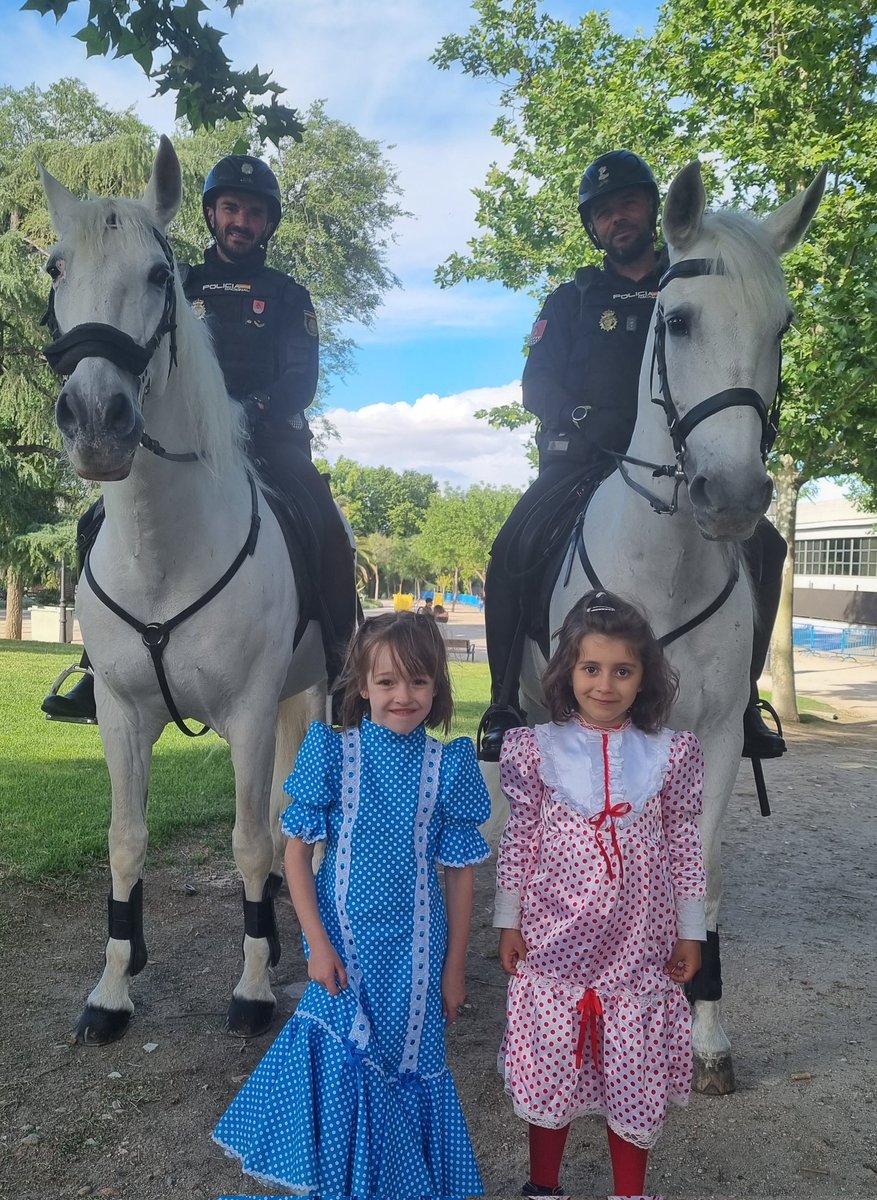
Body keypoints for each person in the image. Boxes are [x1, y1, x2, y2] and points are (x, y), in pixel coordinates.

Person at [477, 149, 787, 763]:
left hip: (680, 462)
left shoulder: (696, 281)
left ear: (652, 210)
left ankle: (742, 699)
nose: (617, 218)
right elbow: (537, 384)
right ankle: (505, 698)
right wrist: (583, 419)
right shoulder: (572, 300)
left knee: (766, 546)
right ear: (593, 226)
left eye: (628, 203)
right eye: (603, 211)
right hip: (582, 460)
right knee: (511, 546)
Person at [42, 153, 357, 723]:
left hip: (270, 440)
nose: (242, 220)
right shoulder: (175, 280)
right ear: (212, 214)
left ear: (268, 222)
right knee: (97, 520)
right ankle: (98, 664)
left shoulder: (288, 294)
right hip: (186, 446)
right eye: (231, 207)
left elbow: (300, 379)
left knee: (323, 520)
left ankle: (342, 659)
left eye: (255, 212)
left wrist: (250, 409)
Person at [213, 611, 491, 1197]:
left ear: (437, 686)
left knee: (405, 1065)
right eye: (387, 681)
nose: (403, 695)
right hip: (343, 953)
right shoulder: (334, 755)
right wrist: (316, 944)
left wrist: (455, 966)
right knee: (343, 1068)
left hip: (416, 962)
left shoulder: (448, 767)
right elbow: (295, 856)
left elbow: (460, 876)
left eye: (418, 681)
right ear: (362, 686)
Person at [494, 589, 706, 1197]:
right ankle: (543, 1185)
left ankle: (630, 1191)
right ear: (568, 672)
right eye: (591, 668)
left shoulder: (671, 752)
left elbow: (686, 843)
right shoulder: (536, 748)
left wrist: (693, 930)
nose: (605, 684)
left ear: (645, 678)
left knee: (633, 1061)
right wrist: (508, 920)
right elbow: (521, 838)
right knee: (553, 1051)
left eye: (622, 670)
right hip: (554, 941)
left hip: (639, 949)